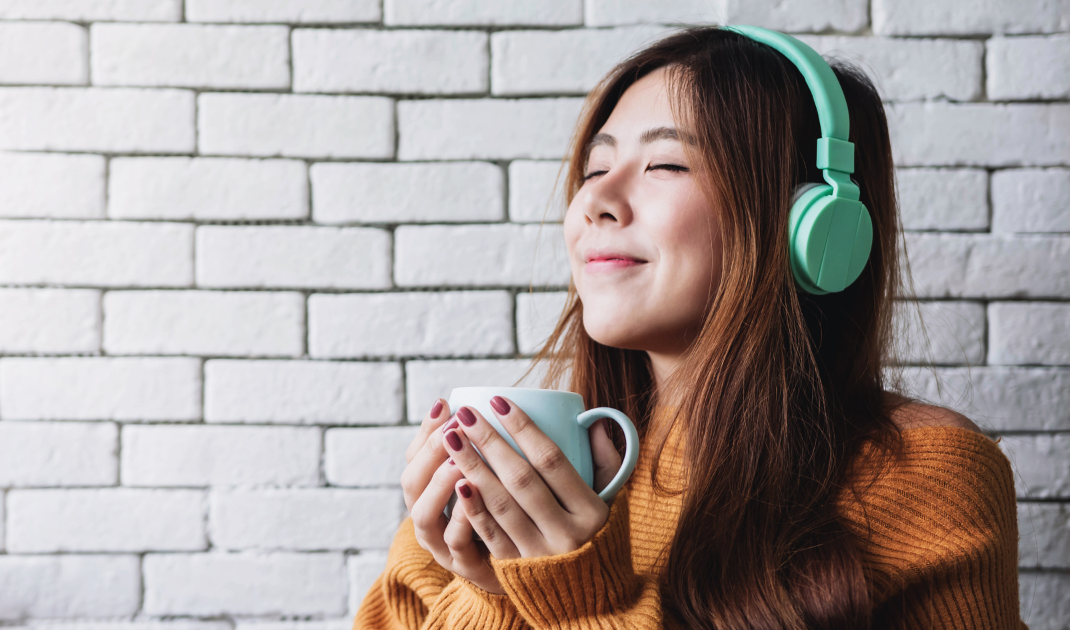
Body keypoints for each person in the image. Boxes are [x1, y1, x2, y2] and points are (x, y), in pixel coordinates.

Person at [354, 25, 1025, 630]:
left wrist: (581, 602)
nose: (595, 203)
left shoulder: (928, 477)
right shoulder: (512, 482)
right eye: (594, 169)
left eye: (665, 165)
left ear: (811, 228)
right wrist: (492, 594)